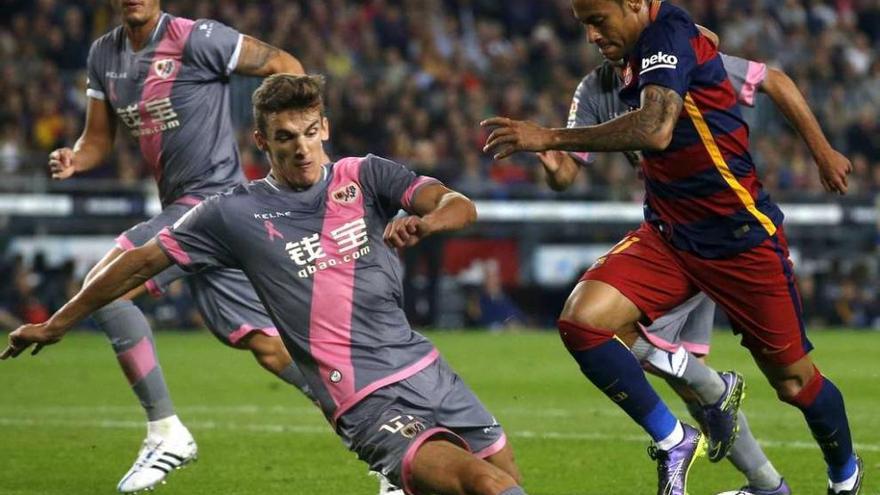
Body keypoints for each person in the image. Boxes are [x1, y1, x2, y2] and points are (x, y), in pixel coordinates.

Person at [3, 73, 529, 495]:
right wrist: (55, 323)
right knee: (483, 485)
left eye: (308, 132)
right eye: (284, 138)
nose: (300, 148)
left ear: (323, 128)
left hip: (426, 368)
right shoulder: (232, 214)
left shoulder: (366, 175)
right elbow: (140, 263)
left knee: (509, 481)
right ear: (262, 141)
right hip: (364, 399)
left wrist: (426, 221)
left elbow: (458, 204)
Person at [482, 1, 863, 494]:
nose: (592, 36)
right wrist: (551, 158)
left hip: (737, 238)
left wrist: (822, 151)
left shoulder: (672, 38)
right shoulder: (603, 83)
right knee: (584, 321)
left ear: (636, 4)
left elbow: (658, 128)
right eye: (584, 26)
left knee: (794, 383)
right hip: (669, 235)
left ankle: (844, 476)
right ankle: (678, 441)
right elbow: (569, 167)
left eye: (599, 20)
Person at [43, 0, 310, 491]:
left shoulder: (196, 38)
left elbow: (283, 64)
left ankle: (166, 431)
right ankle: (384, 438)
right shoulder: (104, 54)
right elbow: (97, 140)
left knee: (106, 286)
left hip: (211, 202)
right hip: (193, 211)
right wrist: (76, 159)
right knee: (270, 348)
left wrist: (293, 146)